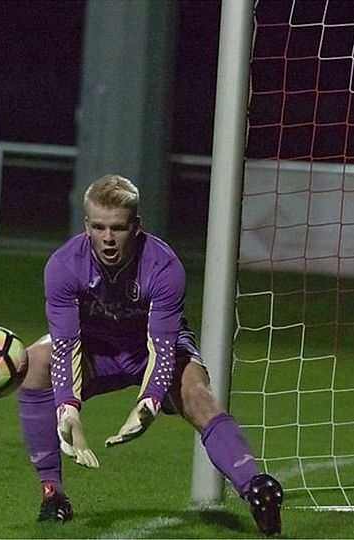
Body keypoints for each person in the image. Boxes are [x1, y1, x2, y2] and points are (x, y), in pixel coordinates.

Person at [16, 174, 283, 535]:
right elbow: (66, 344)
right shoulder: (63, 266)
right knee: (33, 364)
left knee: (196, 394)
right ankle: (53, 495)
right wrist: (68, 408)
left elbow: (162, 347)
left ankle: (258, 489)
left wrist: (149, 403)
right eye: (98, 227)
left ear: (136, 226)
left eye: (118, 227)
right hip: (100, 350)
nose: (108, 238)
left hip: (150, 350)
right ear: (86, 225)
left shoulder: (163, 265)